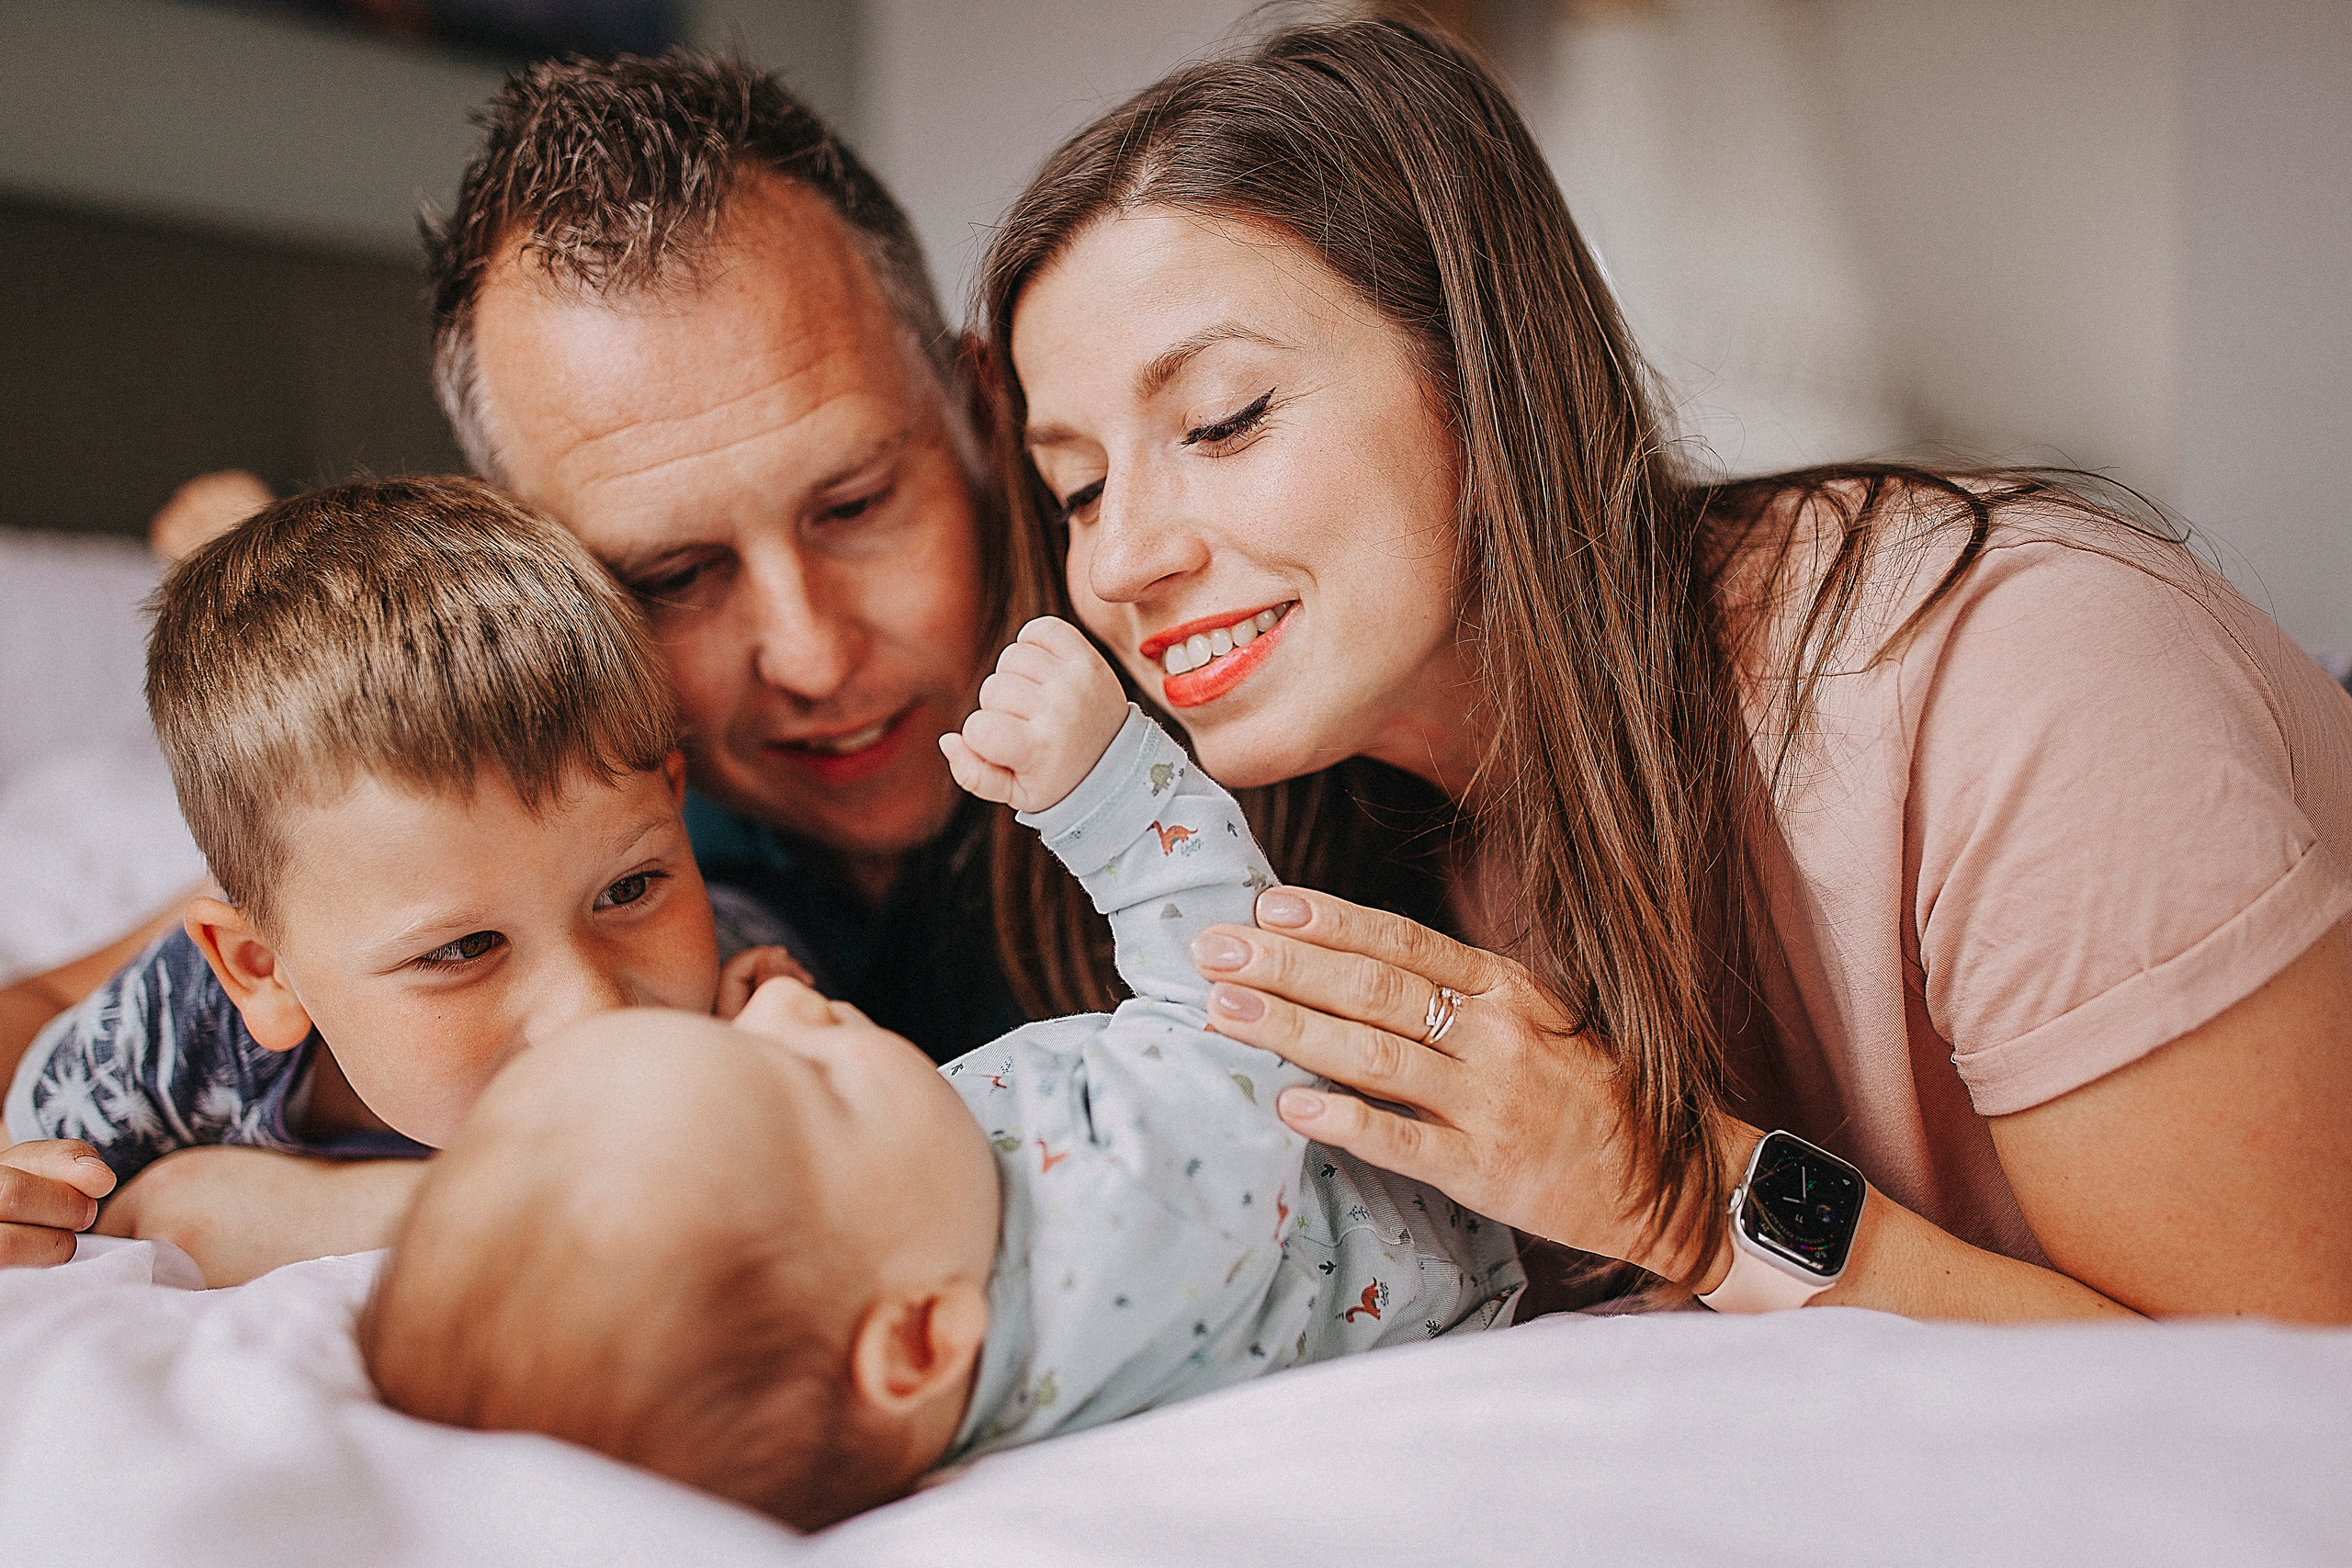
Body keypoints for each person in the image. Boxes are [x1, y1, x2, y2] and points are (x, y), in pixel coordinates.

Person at [976, 17, 2352, 1322]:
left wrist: (1687, 1198)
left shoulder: (2030, 682)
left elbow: (2286, 1401)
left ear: (1482, 367)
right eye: (1079, 486)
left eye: (1223, 418)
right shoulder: (1343, 850)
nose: (1118, 562)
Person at [360, 615, 1521, 1529]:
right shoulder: (1121, 1214)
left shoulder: (894, 1334)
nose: (788, 1007)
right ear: (916, 1343)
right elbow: (1235, 995)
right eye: (812, 1081)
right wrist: (1107, 790)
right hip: (1485, 1245)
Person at [0, 479, 803, 1280]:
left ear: (672, 800)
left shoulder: (747, 986)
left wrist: (304, 1214)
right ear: (261, 971)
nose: (592, 1010)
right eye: (465, 948)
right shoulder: (158, 1047)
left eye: (629, 889)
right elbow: (46, 1196)